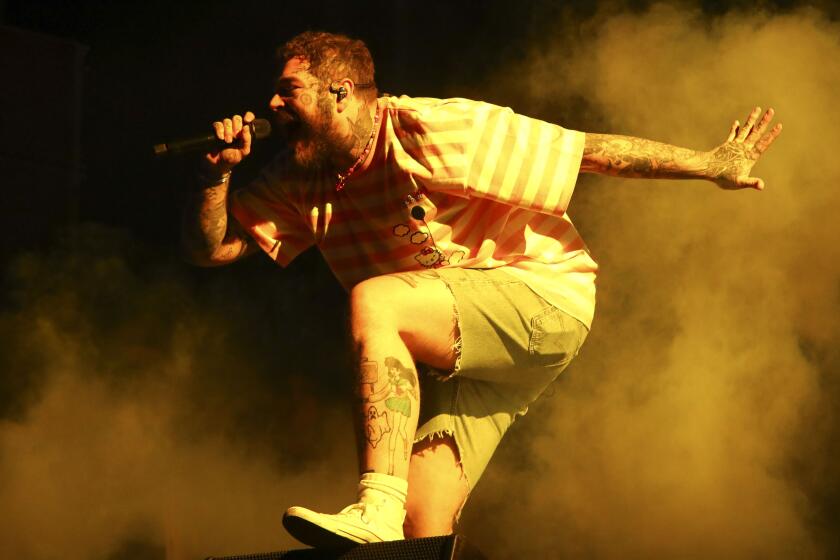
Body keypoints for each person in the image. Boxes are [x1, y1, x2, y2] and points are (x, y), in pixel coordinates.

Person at [181, 31, 782, 547]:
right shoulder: (298, 179)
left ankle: (376, 508)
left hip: (541, 297)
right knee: (424, 520)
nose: (271, 103)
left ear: (339, 91)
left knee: (376, 301)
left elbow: (586, 152)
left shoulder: (428, 127)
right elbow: (213, 249)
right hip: (471, 358)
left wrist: (710, 164)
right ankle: (396, 520)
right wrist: (216, 177)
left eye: (288, 90)